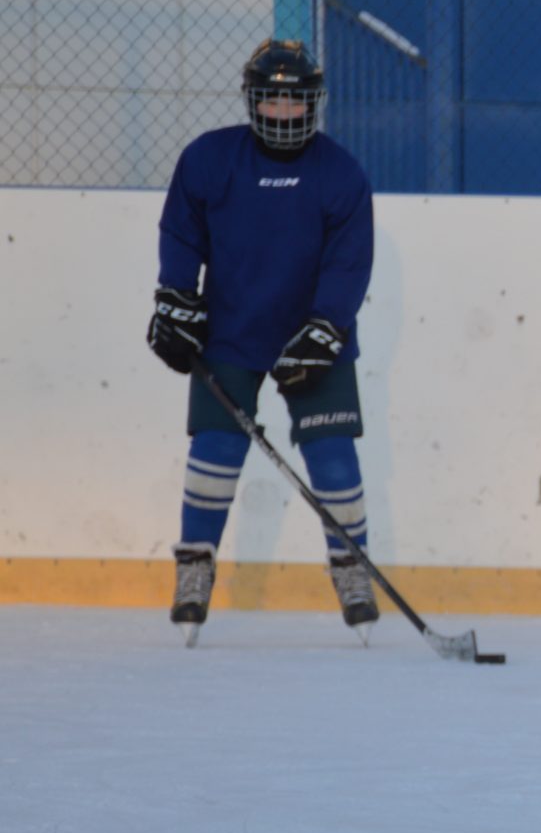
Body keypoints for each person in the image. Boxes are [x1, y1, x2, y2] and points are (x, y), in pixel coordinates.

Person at [146, 39, 380, 644]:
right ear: (252, 101)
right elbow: (180, 231)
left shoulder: (341, 173)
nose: (283, 115)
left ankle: (352, 570)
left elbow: (350, 265)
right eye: (271, 101)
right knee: (216, 450)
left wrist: (327, 326)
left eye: (295, 102)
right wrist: (175, 297)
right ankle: (194, 567)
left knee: (333, 456)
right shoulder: (209, 159)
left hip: (312, 335)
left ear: (314, 104)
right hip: (231, 330)